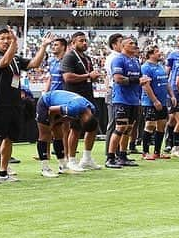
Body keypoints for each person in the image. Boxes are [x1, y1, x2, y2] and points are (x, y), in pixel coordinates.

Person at [0, 28, 53, 184]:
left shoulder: (15, 58)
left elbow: (34, 63)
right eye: (3, 38)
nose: (6, 41)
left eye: (9, 38)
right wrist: (14, 44)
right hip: (0, 103)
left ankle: (3, 171)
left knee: (9, 139)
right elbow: (3, 63)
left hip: (15, 104)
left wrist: (43, 47)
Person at [61, 31, 102, 171]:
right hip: (73, 97)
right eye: (81, 40)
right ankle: (71, 159)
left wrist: (92, 77)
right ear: (73, 43)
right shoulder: (69, 57)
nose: (84, 43)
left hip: (88, 96)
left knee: (92, 125)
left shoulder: (87, 58)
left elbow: (87, 77)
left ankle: (87, 158)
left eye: (85, 40)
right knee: (75, 128)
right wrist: (88, 75)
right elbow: (67, 77)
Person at [35, 90, 98, 178]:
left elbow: (69, 117)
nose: (79, 121)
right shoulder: (74, 108)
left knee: (59, 135)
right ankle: (45, 168)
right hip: (46, 103)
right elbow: (51, 110)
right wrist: (51, 123)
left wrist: (58, 121)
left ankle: (63, 166)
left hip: (58, 105)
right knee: (45, 135)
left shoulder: (91, 109)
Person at [106, 36, 145, 169]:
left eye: (135, 43)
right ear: (123, 46)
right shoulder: (118, 59)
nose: (134, 45)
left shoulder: (135, 60)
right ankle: (110, 157)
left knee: (128, 129)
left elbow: (139, 79)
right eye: (131, 43)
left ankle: (122, 155)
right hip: (121, 99)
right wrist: (137, 80)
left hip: (134, 100)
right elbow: (118, 79)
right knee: (120, 128)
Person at [140, 45, 171, 160]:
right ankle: (145, 152)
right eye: (157, 51)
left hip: (162, 101)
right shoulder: (145, 67)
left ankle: (157, 152)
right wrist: (154, 100)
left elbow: (166, 82)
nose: (160, 53)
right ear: (150, 54)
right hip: (150, 103)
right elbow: (146, 86)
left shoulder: (160, 66)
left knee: (161, 126)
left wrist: (171, 95)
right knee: (150, 125)